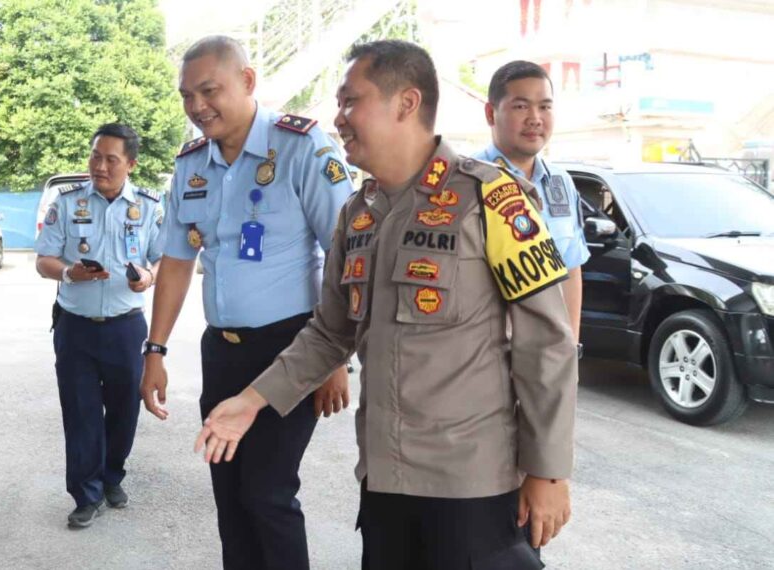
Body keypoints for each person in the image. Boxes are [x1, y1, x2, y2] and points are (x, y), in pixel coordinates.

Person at [195, 40, 578, 570]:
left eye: (351, 101)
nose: (339, 118)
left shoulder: (491, 199)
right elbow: (329, 333)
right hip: (384, 481)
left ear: (406, 103)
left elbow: (548, 344)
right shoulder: (358, 214)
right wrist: (252, 400)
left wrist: (548, 472)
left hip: (472, 487)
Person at [140, 35, 354, 569]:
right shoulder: (191, 165)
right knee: (231, 496)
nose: (196, 106)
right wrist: (155, 350)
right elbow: (176, 261)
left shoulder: (301, 147)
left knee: (267, 492)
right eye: (187, 95)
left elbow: (345, 255)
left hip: (293, 348)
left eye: (209, 91)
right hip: (223, 352)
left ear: (248, 81)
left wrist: (335, 358)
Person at [34, 123, 164, 529]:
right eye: (95, 156)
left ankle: (112, 476)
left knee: (125, 409)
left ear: (131, 164)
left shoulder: (149, 206)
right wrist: (69, 272)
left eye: (111, 159)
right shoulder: (66, 203)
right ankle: (86, 494)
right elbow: (43, 260)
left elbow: (165, 260)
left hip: (126, 327)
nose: (100, 166)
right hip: (76, 327)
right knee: (81, 412)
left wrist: (148, 275)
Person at [475, 60, 590, 345]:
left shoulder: (560, 183)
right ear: (490, 113)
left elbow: (570, 269)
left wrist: (570, 349)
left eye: (545, 107)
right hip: (485, 355)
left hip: (547, 354)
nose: (535, 118)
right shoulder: (466, 180)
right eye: (521, 106)